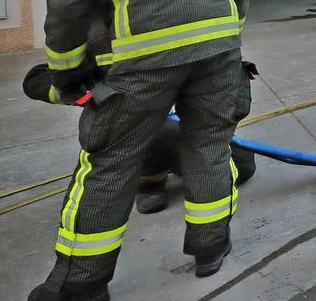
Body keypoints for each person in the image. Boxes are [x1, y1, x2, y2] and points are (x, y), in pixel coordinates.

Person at [29, 0, 253, 301]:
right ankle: (210, 249)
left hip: (138, 69)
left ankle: (81, 284)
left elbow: (68, 9)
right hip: (218, 58)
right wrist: (225, 39)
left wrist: (68, 75)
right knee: (210, 146)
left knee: (108, 164)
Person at [21, 55, 259, 215]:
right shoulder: (111, 35)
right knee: (160, 133)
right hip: (139, 135)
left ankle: (185, 164)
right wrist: (89, 92)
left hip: (191, 133)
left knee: (243, 166)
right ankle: (149, 181)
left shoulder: (189, 31)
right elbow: (35, 78)